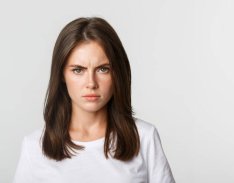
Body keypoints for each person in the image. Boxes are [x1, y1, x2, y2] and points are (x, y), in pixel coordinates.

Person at [13, 17, 175, 183]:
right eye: (78, 70)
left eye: (103, 69)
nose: (91, 83)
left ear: (117, 73)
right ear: (62, 75)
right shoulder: (34, 146)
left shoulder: (143, 137)